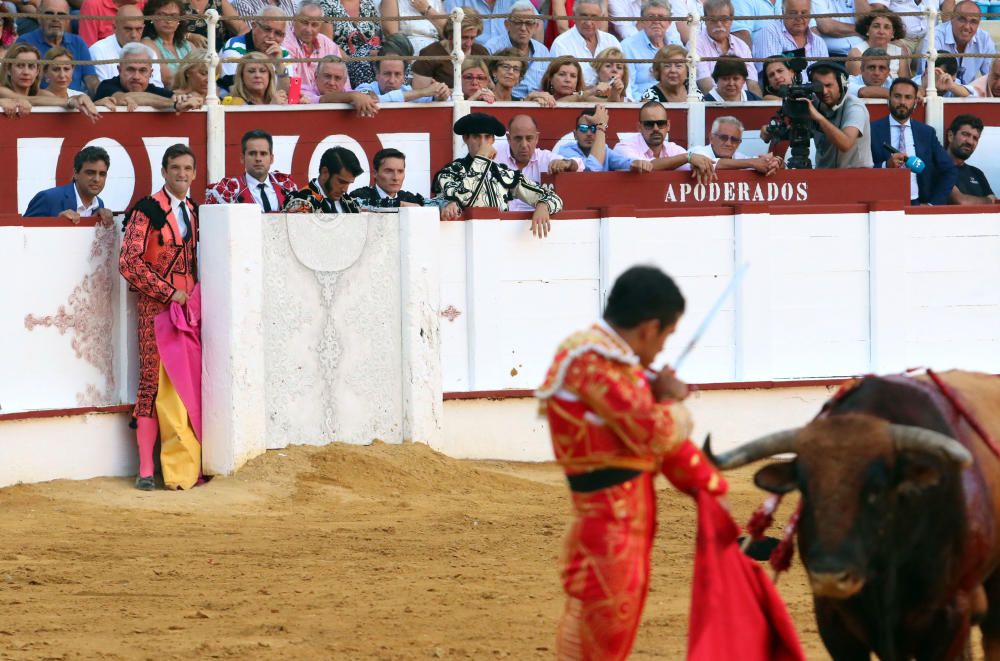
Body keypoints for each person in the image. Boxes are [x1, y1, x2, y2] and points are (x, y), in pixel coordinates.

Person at [537, 265, 728, 661]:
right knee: (596, 645)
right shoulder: (590, 362)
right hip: (606, 536)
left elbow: (663, 449)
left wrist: (710, 490)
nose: (661, 350)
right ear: (648, 329)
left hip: (622, 533)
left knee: (603, 643)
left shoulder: (613, 365)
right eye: (666, 337)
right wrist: (670, 399)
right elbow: (655, 434)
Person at [119, 143, 200, 490]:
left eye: (187, 168)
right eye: (175, 168)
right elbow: (128, 262)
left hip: (190, 308)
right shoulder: (147, 210)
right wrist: (169, 292)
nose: (181, 174)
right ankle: (147, 470)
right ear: (164, 172)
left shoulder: (195, 211)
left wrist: (191, 297)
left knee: (187, 382)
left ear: (194, 173)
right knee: (152, 381)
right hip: (157, 307)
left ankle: (182, 463)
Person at [433, 112, 563, 238]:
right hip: (462, 245)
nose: (482, 143)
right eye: (476, 136)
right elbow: (463, 198)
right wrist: (482, 159)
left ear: (493, 140)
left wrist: (543, 205)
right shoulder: (450, 172)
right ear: (466, 138)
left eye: (487, 137)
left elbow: (554, 199)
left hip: (501, 244)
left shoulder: (501, 174)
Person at [764, 61, 872, 168]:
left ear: (841, 83)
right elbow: (793, 129)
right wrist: (770, 131)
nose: (824, 91)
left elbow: (846, 144)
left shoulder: (855, 106)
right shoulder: (813, 103)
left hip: (855, 178)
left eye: (829, 85)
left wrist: (818, 118)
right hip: (824, 175)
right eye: (819, 87)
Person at [871, 77, 955, 205]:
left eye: (908, 97)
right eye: (897, 96)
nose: (902, 102)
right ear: (889, 98)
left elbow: (949, 170)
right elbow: (860, 170)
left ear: (915, 101)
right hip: (881, 203)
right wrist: (885, 166)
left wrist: (933, 205)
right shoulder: (872, 130)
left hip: (917, 203)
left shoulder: (927, 133)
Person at [494, 114, 582, 211]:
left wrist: (567, 163)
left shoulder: (544, 158)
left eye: (529, 138)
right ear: (508, 138)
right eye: (518, 138)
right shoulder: (494, 156)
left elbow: (580, 165)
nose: (524, 145)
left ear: (536, 138)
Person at [613, 100, 716, 182]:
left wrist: (697, 166)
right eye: (649, 124)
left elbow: (695, 163)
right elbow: (647, 166)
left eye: (661, 123)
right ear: (639, 127)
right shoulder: (624, 147)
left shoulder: (673, 148)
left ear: (668, 126)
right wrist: (687, 157)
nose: (656, 128)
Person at [0, 43, 103, 119]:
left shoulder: (41, 93)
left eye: (31, 66)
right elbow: (29, 99)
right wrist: (70, 101)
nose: (26, 72)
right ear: (8, 69)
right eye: (20, 66)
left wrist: (86, 100)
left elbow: (59, 100)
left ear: (37, 71)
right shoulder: (2, 90)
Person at [353, 148, 463, 218]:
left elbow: (435, 203)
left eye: (400, 171)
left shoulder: (407, 198)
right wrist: (400, 204)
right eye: (389, 171)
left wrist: (449, 204)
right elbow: (358, 205)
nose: (396, 177)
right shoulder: (360, 195)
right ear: (375, 173)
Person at [16, 0, 97, 93]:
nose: (55, 19)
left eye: (61, 15)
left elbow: (91, 79)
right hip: (41, 105)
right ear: (39, 15)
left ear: (68, 19)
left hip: (76, 103)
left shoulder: (78, 42)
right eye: (49, 14)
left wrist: (105, 96)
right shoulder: (25, 42)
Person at [204, 129, 298, 209]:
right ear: (242, 158)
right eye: (252, 153)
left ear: (271, 158)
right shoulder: (228, 191)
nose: (258, 159)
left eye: (263, 154)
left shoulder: (286, 186)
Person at [94, 43, 203, 110]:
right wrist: (173, 104)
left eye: (143, 71)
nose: (136, 76)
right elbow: (126, 98)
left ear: (151, 73)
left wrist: (186, 99)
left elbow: (176, 97)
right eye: (130, 69)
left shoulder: (154, 91)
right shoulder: (106, 86)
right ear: (119, 70)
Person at [24, 146, 113, 221]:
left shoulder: (99, 204)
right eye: (90, 173)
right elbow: (22, 237)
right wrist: (57, 223)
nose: (97, 179)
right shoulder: (48, 198)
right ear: (75, 174)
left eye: (102, 174)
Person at [282, 0, 344, 103]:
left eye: (314, 25)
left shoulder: (328, 45)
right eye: (304, 23)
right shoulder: (285, 43)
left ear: (321, 25)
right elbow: (292, 89)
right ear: (294, 19)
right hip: (297, 106)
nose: (308, 29)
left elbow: (343, 84)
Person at [218, 7, 294, 91]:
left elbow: (287, 92)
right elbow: (235, 89)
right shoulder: (234, 47)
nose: (271, 36)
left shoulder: (283, 53)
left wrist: (279, 65)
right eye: (267, 29)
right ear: (254, 26)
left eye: (278, 33)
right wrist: (273, 99)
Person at [917, 0, 992, 85]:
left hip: (967, 94)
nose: (967, 27)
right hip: (938, 94)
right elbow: (931, 78)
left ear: (978, 23)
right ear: (952, 18)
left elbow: (992, 76)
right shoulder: (934, 37)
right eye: (962, 20)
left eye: (973, 22)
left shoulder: (984, 38)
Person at [411, 7, 489, 89]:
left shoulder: (481, 52)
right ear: (450, 34)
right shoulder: (430, 54)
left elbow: (492, 88)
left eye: (472, 38)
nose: (469, 43)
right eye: (464, 37)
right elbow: (419, 95)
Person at [751, 0, 829, 81]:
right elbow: (771, 78)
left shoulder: (819, 43)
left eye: (804, 13)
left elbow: (824, 79)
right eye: (793, 13)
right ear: (782, 12)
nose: (799, 18)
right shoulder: (768, 34)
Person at [485, 1, 549, 99]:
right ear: (507, 25)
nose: (523, 28)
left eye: (529, 23)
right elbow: (486, 83)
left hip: (538, 104)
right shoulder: (492, 48)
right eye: (518, 22)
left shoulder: (543, 51)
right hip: (504, 102)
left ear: (536, 27)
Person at [550, 0, 621, 86]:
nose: (588, 23)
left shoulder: (611, 41)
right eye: (584, 16)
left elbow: (624, 79)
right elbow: (562, 87)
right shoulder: (561, 44)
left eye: (594, 17)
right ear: (574, 15)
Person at [89, 5, 164, 86]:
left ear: (143, 28)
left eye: (138, 29)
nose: (134, 35)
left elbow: (157, 88)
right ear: (115, 28)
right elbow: (104, 91)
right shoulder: (97, 51)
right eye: (128, 29)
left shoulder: (150, 53)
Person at [695, 0, 759, 95]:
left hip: (744, 103)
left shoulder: (741, 46)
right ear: (705, 20)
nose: (719, 24)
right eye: (713, 19)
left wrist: (756, 105)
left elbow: (752, 84)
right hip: (714, 105)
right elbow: (704, 84)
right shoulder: (695, 45)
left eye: (724, 19)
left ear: (732, 20)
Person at [620, 0, 681, 100]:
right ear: (642, 21)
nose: (656, 21)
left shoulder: (676, 45)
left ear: (669, 22)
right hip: (643, 106)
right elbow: (628, 88)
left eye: (661, 17)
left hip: (674, 103)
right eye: (651, 17)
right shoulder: (628, 46)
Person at [560, 106, 649, 172]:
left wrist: (635, 164)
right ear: (575, 134)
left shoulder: (605, 150)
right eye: (583, 128)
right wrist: (600, 127)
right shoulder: (565, 150)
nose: (589, 134)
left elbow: (623, 162)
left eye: (594, 128)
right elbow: (591, 170)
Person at [318, 0, 383, 87]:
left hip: (370, 62)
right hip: (342, 65)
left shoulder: (368, 3)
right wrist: (355, 64)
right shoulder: (327, 5)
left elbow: (377, 37)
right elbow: (327, 44)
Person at [283, 146, 364, 213]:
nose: (345, 189)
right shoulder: (300, 202)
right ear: (325, 172)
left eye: (349, 183)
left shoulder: (349, 202)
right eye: (341, 181)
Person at [691, 116, 783, 173]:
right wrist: (752, 163)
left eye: (734, 140)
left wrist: (776, 162)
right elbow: (711, 163)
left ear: (739, 143)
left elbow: (761, 162)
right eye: (723, 137)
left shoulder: (740, 158)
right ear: (711, 138)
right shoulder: (698, 151)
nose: (728, 143)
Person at [141, 0, 194, 88]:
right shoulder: (147, 44)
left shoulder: (187, 45)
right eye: (162, 15)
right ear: (151, 17)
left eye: (173, 16)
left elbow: (204, 72)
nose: (168, 21)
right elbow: (166, 78)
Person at [846, 9, 909, 78]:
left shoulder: (899, 52)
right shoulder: (856, 54)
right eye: (876, 26)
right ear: (867, 30)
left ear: (893, 33)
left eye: (886, 27)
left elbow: (904, 83)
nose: (881, 32)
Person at [946, 114, 994, 205]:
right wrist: (987, 201)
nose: (970, 142)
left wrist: (990, 200)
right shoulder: (937, 168)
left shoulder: (977, 173)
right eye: (965, 134)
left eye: (975, 138)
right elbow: (961, 201)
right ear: (950, 136)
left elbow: (994, 201)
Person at [355, 56, 450, 102]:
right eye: (387, 74)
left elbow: (441, 99)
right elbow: (372, 99)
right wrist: (423, 92)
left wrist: (441, 93)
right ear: (377, 75)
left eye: (397, 74)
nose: (392, 80)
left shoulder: (409, 91)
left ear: (404, 77)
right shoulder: (364, 88)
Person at [313, 55, 381, 116]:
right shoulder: (304, 91)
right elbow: (323, 99)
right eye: (327, 76)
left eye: (337, 78)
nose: (332, 83)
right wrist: (353, 96)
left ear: (345, 81)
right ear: (316, 76)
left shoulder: (348, 92)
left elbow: (360, 93)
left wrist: (367, 95)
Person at [443, 0, 530, 47]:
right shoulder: (453, 1)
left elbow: (537, 21)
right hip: (472, 54)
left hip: (510, 55)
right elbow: (449, 29)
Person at [489, 49, 556, 105]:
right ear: (494, 72)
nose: (511, 72)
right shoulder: (483, 98)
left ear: (520, 77)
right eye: (506, 67)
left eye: (516, 69)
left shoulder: (521, 102)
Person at [380, 0, 446, 54]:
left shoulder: (436, 1)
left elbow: (447, 32)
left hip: (435, 50)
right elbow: (392, 35)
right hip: (407, 52)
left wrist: (427, 10)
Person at [223, 52, 288, 104]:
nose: (257, 75)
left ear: (270, 76)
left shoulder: (275, 100)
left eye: (263, 71)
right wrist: (271, 108)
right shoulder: (235, 103)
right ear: (241, 76)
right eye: (251, 71)